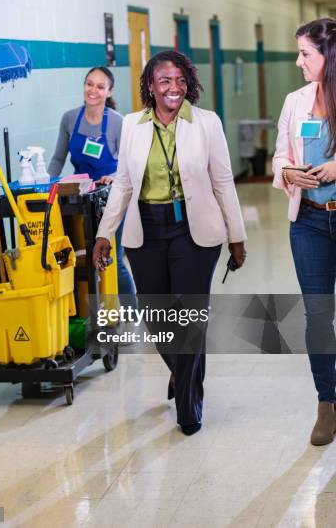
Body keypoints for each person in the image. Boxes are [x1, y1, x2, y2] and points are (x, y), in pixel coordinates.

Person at [92, 50, 246, 435]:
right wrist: (104, 233)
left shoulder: (207, 123)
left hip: (196, 233)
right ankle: (182, 373)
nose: (173, 88)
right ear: (150, 86)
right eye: (165, 81)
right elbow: (124, 183)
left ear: (188, 83)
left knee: (190, 317)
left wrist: (237, 236)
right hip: (146, 231)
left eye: (179, 80)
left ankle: (189, 408)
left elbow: (223, 181)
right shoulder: (133, 125)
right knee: (158, 316)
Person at [273, 17, 336, 446]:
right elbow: (280, 155)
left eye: (305, 53)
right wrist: (290, 173)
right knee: (317, 317)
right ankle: (326, 403)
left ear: (328, 55)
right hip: (309, 221)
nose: (299, 61)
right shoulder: (295, 100)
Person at [48, 66, 136, 298]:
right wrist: (46, 186)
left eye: (100, 86)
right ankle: (95, 317)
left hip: (113, 197)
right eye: (89, 84)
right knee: (81, 258)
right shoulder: (70, 118)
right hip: (82, 198)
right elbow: (58, 158)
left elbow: (131, 165)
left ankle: (133, 315)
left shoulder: (118, 122)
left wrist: (114, 177)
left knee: (112, 258)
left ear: (109, 91)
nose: (93, 90)